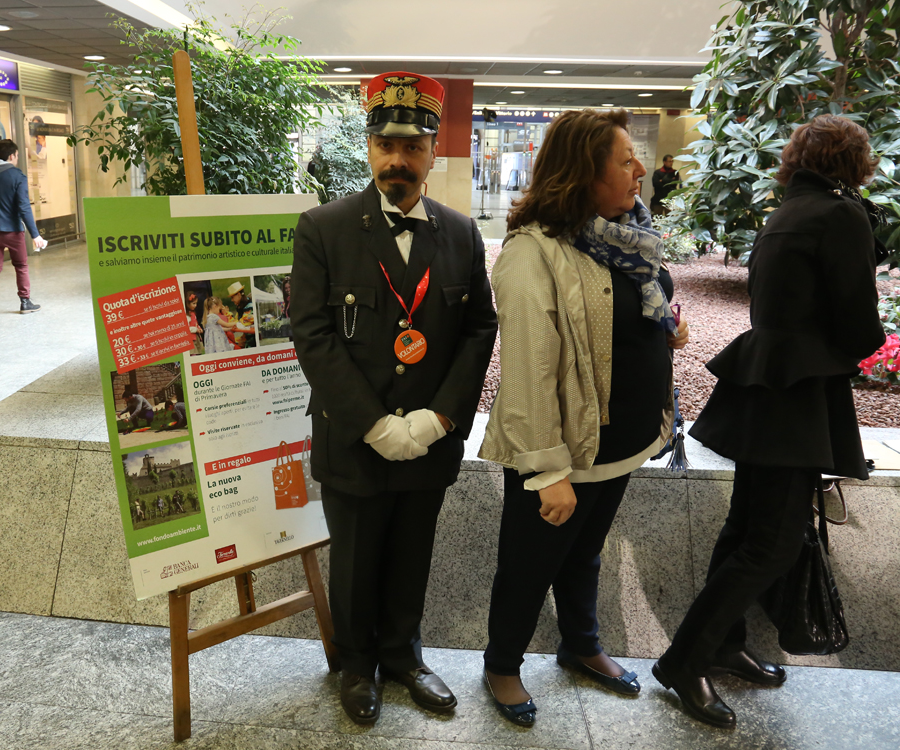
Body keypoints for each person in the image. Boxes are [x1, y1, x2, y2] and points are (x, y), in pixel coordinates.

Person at [654, 115, 885, 729]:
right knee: (773, 540)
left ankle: (724, 643)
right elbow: (861, 324)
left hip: (764, 384)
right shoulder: (842, 214)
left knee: (745, 528)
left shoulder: (788, 210)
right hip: (799, 393)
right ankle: (686, 658)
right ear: (854, 161)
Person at [291, 71, 498, 725]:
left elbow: (478, 327)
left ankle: (403, 657)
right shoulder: (322, 228)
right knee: (353, 561)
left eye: (411, 146)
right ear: (368, 147)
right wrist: (375, 424)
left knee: (413, 552)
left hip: (430, 437)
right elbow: (312, 334)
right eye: (385, 144)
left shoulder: (461, 234)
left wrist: (440, 417)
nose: (397, 160)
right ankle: (356, 665)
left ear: (433, 151)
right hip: (355, 437)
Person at [478, 108, 689, 727]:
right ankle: (502, 664)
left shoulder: (628, 234)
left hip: (622, 439)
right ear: (581, 173)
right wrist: (547, 472)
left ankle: (579, 643)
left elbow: (634, 308)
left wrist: (668, 329)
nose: (640, 170)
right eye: (624, 161)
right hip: (563, 450)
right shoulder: (533, 254)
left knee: (585, 551)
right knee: (529, 563)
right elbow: (526, 375)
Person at [0, 139, 46, 324]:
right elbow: (24, 207)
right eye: (18, 156)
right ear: (12, 156)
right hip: (12, 231)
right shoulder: (17, 175)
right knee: (21, 266)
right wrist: (35, 234)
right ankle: (25, 301)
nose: (17, 159)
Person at [227, 281, 256, 348]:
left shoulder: (249, 307)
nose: (231, 300)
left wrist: (228, 325)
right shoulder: (241, 307)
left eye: (232, 297)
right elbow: (235, 321)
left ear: (239, 294)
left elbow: (241, 324)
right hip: (246, 337)